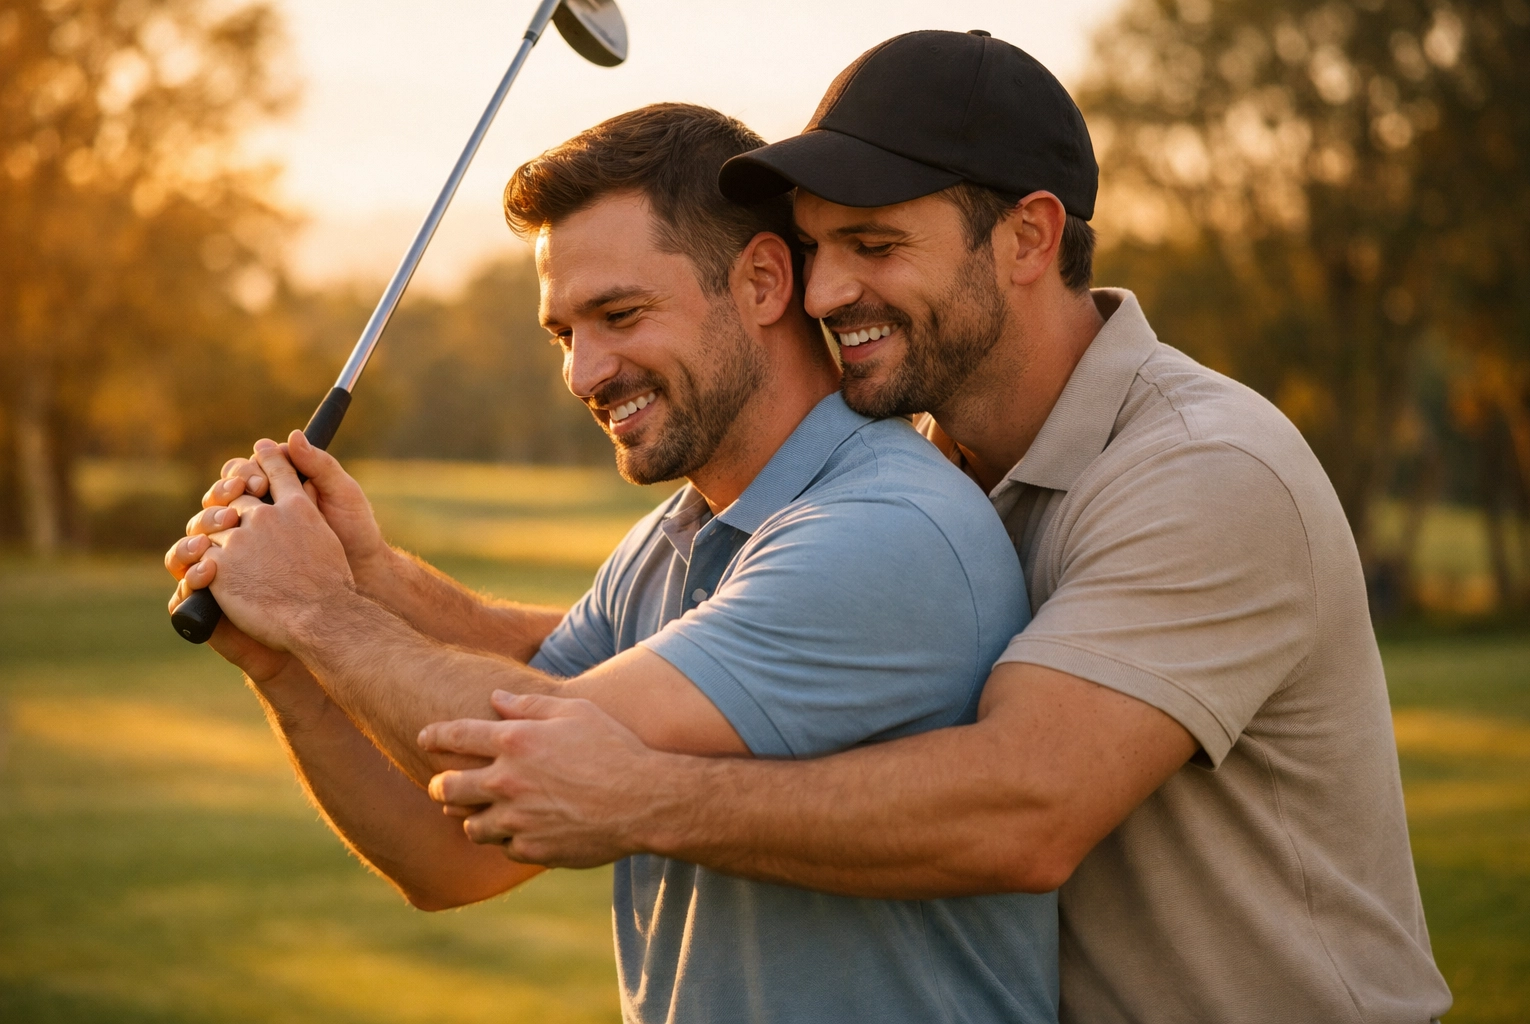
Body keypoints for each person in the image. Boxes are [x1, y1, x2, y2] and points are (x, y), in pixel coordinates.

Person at [419, 31, 1454, 1024]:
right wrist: (356, 574)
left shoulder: (1201, 471)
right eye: (817, 247)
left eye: (874, 244)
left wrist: (642, 797)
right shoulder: (924, 451)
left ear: (1029, 237)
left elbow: (1025, 809)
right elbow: (738, 643)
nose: (824, 293)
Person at [165, 103, 1059, 1024]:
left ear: (760, 282)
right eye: (563, 334)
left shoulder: (884, 529)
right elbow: (455, 858)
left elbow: (522, 752)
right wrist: (288, 654)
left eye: (620, 315)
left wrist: (319, 610)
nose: (585, 373)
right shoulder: (667, 546)